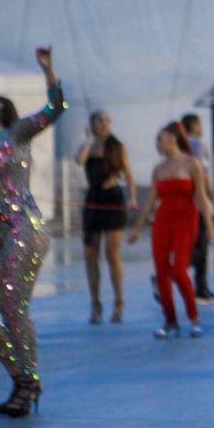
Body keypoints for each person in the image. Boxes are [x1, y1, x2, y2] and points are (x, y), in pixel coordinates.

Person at [0, 46, 65, 418]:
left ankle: (29, 380)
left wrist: (48, 71)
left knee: (12, 308)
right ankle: (22, 378)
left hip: (24, 226)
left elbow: (55, 110)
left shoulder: (15, 134)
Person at [129, 122, 214, 340]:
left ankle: (194, 318)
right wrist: (137, 229)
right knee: (161, 272)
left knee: (178, 270)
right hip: (163, 220)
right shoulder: (158, 169)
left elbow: (201, 198)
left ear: (173, 137)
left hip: (186, 219)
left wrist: (211, 229)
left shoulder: (191, 164)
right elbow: (151, 201)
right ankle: (170, 321)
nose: (158, 143)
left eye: (161, 138)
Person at [75, 110, 137, 324]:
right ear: (92, 124)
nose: (104, 124)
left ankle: (119, 301)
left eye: (107, 121)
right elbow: (79, 161)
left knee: (112, 253)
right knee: (91, 254)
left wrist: (132, 198)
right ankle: (95, 303)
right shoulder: (88, 147)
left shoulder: (117, 146)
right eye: (100, 121)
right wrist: (89, 140)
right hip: (93, 200)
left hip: (112, 199)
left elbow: (128, 175)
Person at [181, 113, 214, 303]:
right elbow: (203, 177)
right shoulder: (198, 145)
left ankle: (201, 287)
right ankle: (198, 287)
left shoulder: (179, 146)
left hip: (183, 203)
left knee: (193, 245)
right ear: (194, 126)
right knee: (200, 246)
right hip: (197, 204)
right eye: (200, 124)